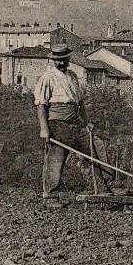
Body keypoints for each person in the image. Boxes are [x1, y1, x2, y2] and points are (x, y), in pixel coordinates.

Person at [34, 43, 92, 208]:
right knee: (56, 157)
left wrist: (87, 122)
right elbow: (41, 105)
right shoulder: (48, 77)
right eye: (57, 60)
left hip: (75, 123)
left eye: (64, 60)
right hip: (57, 123)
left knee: (95, 146)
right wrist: (44, 129)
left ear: (68, 59)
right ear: (53, 60)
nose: (61, 63)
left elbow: (80, 103)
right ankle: (50, 195)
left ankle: (108, 186)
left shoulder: (73, 76)